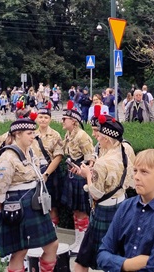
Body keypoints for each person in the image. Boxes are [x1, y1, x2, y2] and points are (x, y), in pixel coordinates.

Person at [0, 117, 59, 272]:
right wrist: (6, 210)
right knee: (19, 252)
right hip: (18, 206)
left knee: (52, 245)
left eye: (33, 133)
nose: (33, 136)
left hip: (35, 203)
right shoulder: (7, 157)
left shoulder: (30, 151)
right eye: (29, 133)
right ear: (18, 134)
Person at [97, 149, 154, 272]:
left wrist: (116, 263)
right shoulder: (125, 207)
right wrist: (127, 264)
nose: (136, 177)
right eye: (135, 171)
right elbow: (102, 254)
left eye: (144, 172)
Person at [69, 116, 132, 271]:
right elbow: (130, 177)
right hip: (122, 204)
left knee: (84, 259)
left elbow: (96, 194)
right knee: (117, 255)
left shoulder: (103, 162)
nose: (96, 137)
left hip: (104, 209)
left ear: (107, 138)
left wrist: (87, 175)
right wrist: (90, 174)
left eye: (99, 135)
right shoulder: (126, 148)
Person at [61, 100, 95, 253]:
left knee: (81, 210)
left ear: (74, 121)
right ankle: (78, 240)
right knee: (75, 210)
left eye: (65, 119)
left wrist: (84, 172)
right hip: (72, 173)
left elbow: (90, 158)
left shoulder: (82, 136)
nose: (62, 121)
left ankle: (83, 243)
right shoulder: (68, 134)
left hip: (80, 175)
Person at [35, 104, 64, 227]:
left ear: (50, 119)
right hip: (34, 172)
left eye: (46, 117)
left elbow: (58, 156)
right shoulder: (31, 133)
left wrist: (46, 174)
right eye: (41, 117)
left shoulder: (55, 135)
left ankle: (53, 231)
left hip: (50, 173)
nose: (43, 120)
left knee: (51, 205)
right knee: (36, 203)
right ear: (36, 118)